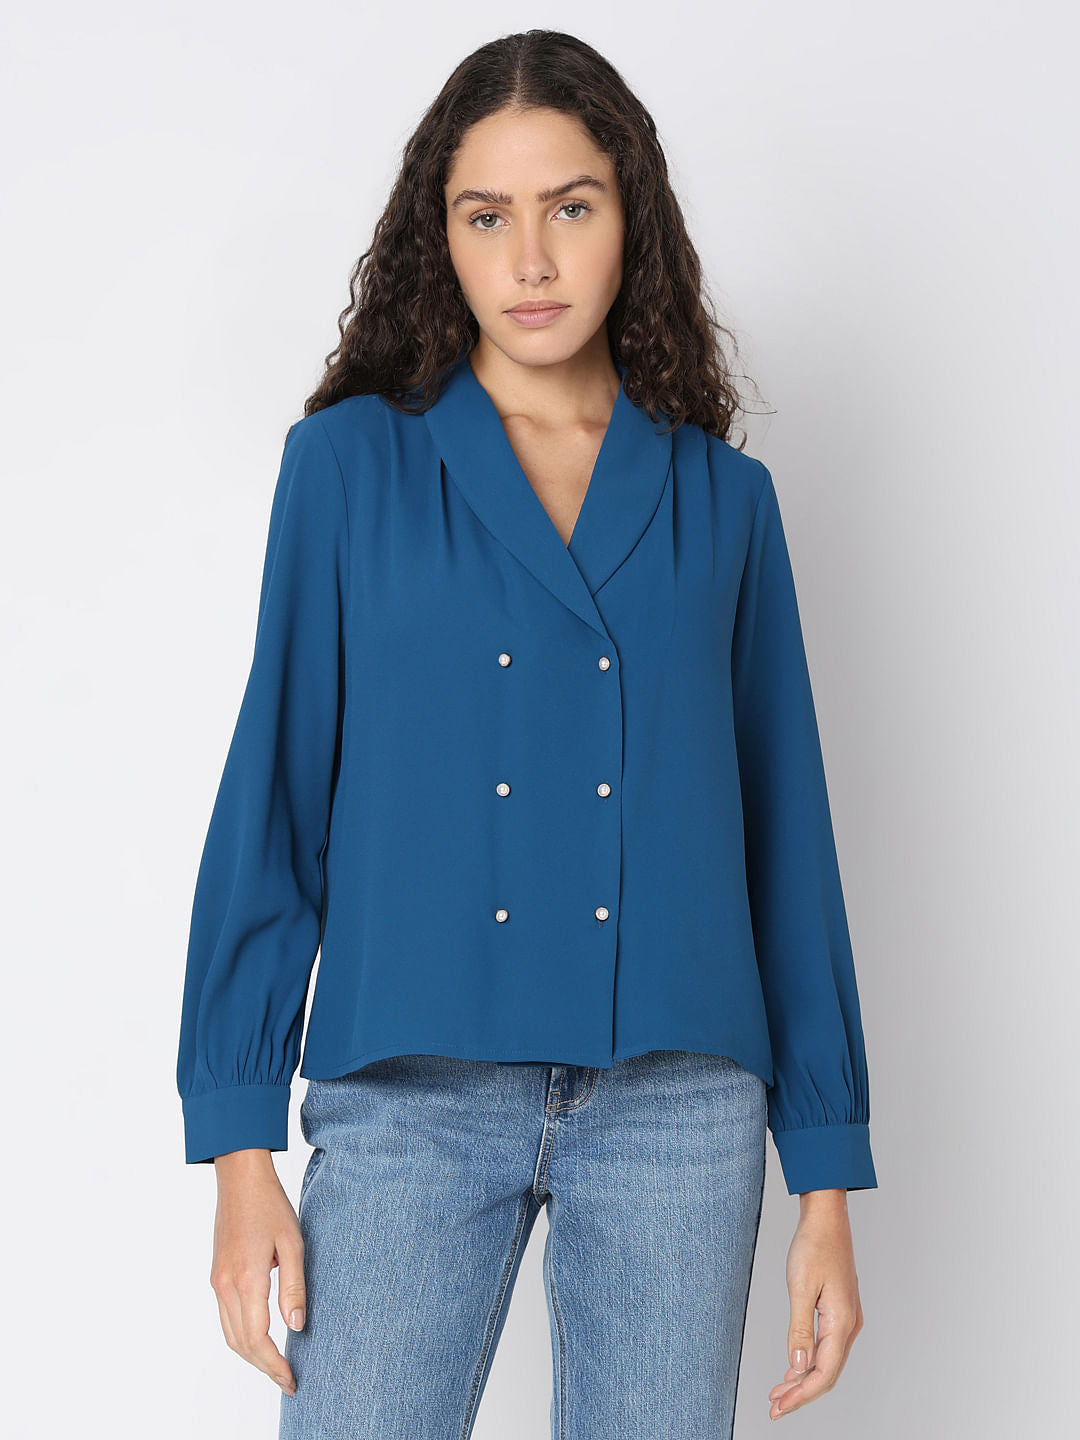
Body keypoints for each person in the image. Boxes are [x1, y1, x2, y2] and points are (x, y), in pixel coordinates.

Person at [176, 28, 878, 1438]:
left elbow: (785, 843)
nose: (533, 260)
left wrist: (827, 1178)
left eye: (571, 206)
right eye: (486, 216)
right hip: (409, 1091)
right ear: (441, 238)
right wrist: (240, 1144)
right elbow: (276, 802)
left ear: (633, 219)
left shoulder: (724, 503)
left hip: (678, 1103)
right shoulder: (349, 468)